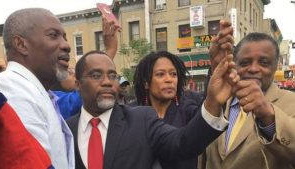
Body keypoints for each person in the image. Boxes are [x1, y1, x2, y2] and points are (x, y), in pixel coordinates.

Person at [66, 49, 239, 169]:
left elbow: (183, 143)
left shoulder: (141, 119)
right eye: (96, 75)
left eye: (112, 76)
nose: (107, 82)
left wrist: (212, 102)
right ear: (77, 84)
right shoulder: (64, 129)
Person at [131, 20, 234, 169]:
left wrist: (215, 65)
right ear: (146, 82)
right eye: (160, 74)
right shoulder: (132, 114)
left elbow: (205, 115)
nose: (169, 79)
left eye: (173, 74)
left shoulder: (189, 108)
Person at [200, 32, 295, 169]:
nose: (253, 69)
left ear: (276, 66)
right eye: (245, 63)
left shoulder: (291, 102)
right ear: (235, 65)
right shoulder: (219, 104)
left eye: (264, 63)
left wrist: (269, 117)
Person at [0, 8, 74, 169]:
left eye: (65, 37)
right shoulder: (11, 89)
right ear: (21, 44)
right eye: (53, 35)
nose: (66, 45)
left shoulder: (38, 91)